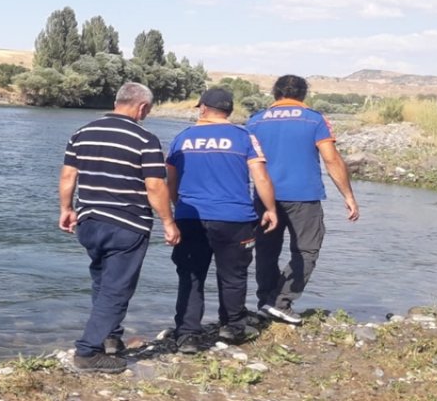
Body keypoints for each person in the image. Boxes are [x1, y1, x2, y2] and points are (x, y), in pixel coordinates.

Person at [59, 82, 180, 374]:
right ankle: (88, 352)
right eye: (147, 111)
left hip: (88, 221)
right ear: (142, 107)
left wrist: (66, 209)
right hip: (127, 223)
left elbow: (68, 176)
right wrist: (168, 221)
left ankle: (110, 338)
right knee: (117, 288)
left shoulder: (82, 133)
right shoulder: (145, 139)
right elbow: (154, 186)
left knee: (102, 281)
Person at [167, 88, 279, 354]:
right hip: (234, 217)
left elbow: (170, 180)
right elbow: (260, 176)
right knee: (233, 275)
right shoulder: (243, 137)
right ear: (228, 111)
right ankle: (232, 326)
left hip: (191, 216)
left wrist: (177, 207)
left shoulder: (182, 138)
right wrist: (270, 208)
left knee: (191, 276)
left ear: (203, 108)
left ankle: (187, 334)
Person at [247, 75, 360, 325]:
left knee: (266, 251)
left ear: (275, 93)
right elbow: (331, 159)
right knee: (307, 250)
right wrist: (349, 196)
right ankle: (281, 301)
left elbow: (244, 159)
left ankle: (266, 301)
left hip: (265, 197)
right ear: (303, 94)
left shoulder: (255, 120)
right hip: (304, 197)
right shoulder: (314, 119)